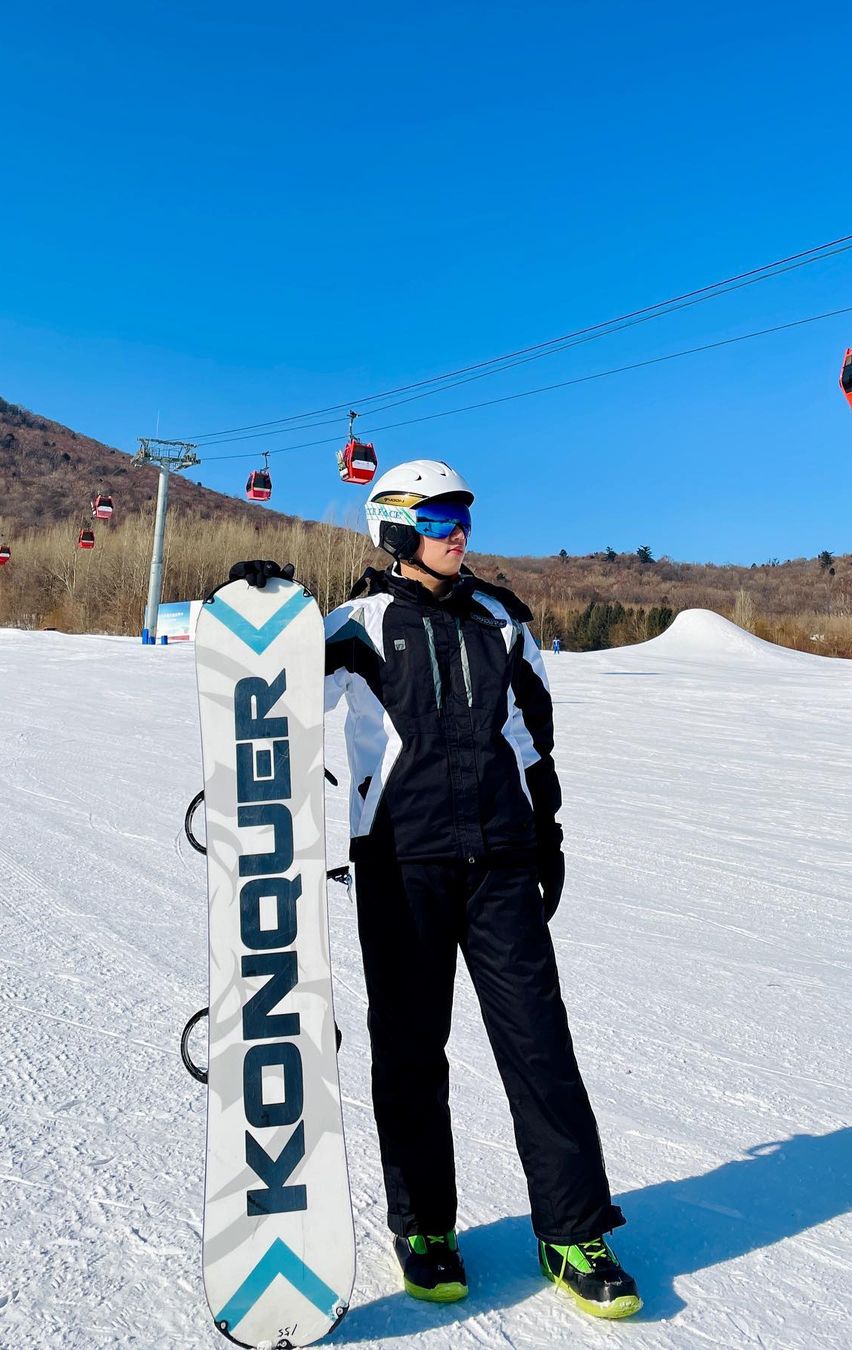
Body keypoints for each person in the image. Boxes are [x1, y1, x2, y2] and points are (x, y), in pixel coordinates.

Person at [320, 459, 638, 1318]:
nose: (457, 530)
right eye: (437, 517)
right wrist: (263, 613)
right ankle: (425, 1227)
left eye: (462, 514)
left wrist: (547, 833)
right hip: (401, 862)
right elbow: (277, 699)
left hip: (500, 861)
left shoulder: (502, 620)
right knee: (411, 1052)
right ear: (395, 528)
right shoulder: (355, 626)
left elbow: (532, 736)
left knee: (540, 1045)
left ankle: (573, 1230)